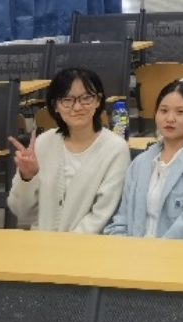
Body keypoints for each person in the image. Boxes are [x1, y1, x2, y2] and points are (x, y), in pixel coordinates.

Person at [7, 68, 130, 233]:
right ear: (55, 106)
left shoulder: (115, 149)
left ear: (98, 101)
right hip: (41, 242)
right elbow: (22, 213)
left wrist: (65, 244)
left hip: (88, 246)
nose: (77, 107)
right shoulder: (43, 143)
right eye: (67, 100)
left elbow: (102, 215)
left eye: (86, 98)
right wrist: (27, 178)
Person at [104, 82, 183, 241]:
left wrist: (156, 252)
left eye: (180, 112)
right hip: (136, 250)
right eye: (163, 111)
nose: (170, 119)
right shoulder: (140, 163)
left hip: (181, 252)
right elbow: (123, 217)